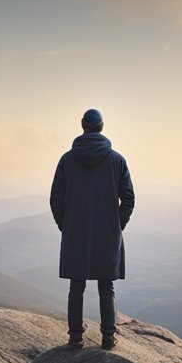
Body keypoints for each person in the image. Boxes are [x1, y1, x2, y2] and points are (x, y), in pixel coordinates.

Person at [49, 108, 135, 350]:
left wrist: (66, 226)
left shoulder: (67, 160)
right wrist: (116, 225)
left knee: (76, 286)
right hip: (107, 233)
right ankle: (108, 337)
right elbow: (128, 199)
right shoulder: (117, 160)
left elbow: (55, 199)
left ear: (82, 125)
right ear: (102, 126)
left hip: (75, 233)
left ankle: (76, 337)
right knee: (106, 286)